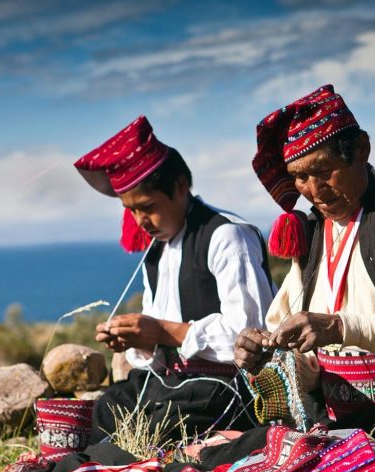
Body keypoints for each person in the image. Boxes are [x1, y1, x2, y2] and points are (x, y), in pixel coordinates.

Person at [234, 84, 375, 445]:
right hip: (337, 423)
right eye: (300, 177)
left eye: (323, 170)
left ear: (361, 150)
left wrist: (341, 327)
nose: (314, 190)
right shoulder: (312, 233)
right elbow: (290, 345)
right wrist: (261, 349)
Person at [74, 116, 275, 443]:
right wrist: (139, 341)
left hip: (225, 390)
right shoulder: (156, 253)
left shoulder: (228, 236)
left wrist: (163, 331)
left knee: (159, 427)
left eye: (148, 206)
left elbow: (253, 337)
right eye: (131, 210)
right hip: (172, 385)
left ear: (181, 186)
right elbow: (157, 349)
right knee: (108, 408)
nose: (140, 221)